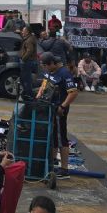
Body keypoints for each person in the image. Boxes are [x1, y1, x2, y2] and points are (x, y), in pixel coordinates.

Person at [37, 52, 78, 180]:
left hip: (59, 110)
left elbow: (73, 93)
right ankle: (53, 162)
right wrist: (39, 95)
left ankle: (64, 170)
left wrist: (63, 106)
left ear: (52, 64)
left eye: (45, 66)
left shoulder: (64, 73)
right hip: (49, 107)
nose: (44, 68)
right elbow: (45, 83)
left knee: (61, 138)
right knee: (53, 136)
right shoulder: (49, 72)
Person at [20, 26, 38, 98]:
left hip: (27, 61)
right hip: (30, 61)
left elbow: (29, 51)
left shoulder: (29, 40)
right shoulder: (31, 38)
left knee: (26, 80)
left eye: (23, 31)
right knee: (27, 79)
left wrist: (23, 59)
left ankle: (28, 95)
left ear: (27, 32)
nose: (22, 32)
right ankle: (28, 93)